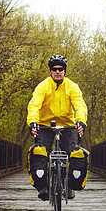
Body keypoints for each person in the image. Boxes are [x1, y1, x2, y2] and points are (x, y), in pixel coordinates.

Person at [27, 55, 87, 200]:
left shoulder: (72, 86)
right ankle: (43, 187)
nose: (58, 72)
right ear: (51, 71)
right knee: (41, 152)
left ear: (65, 71)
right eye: (54, 69)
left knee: (72, 152)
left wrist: (80, 121)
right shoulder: (43, 86)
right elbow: (34, 104)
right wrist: (33, 122)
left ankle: (70, 186)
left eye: (61, 69)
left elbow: (80, 105)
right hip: (45, 125)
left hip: (67, 125)